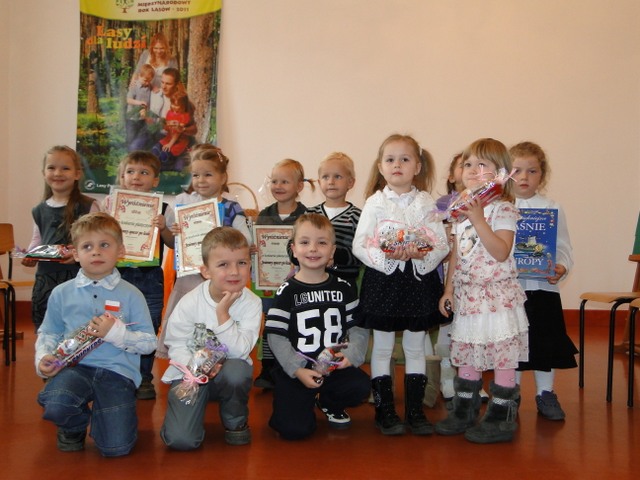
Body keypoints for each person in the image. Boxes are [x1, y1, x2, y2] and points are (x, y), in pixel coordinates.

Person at [35, 212, 156, 456]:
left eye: (104, 245)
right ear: (75, 253)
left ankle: (110, 418)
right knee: (57, 404)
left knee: (116, 448)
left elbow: (149, 342)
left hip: (117, 373)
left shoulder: (132, 294)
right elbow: (49, 331)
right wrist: (43, 358)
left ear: (120, 251)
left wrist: (117, 334)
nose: (96, 252)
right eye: (87, 247)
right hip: (74, 369)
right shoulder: (61, 293)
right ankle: (74, 426)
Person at [352, 134, 449, 436]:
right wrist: (386, 257)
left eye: (405, 159)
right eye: (390, 159)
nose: (397, 165)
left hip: (417, 282)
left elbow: (441, 243)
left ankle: (415, 411)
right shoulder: (374, 202)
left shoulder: (427, 202)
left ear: (417, 166)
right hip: (384, 282)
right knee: (382, 348)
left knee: (415, 346)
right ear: (381, 166)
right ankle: (385, 411)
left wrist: (421, 254)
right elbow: (360, 244)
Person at [434, 138, 529, 444]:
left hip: (497, 297)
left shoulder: (503, 209)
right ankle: (465, 411)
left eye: (482, 164)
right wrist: (448, 289)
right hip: (469, 296)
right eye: (468, 164)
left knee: (502, 357)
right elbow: (457, 255)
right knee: (467, 354)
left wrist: (477, 219)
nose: (473, 170)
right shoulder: (460, 210)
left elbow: (501, 251)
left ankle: (501, 418)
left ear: (500, 172)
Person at [265, 214, 370, 439]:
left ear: (332, 251)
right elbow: (275, 335)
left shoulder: (344, 288)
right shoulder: (287, 291)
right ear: (293, 250)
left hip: (332, 366)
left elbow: (358, 327)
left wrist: (352, 354)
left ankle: (328, 403)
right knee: (294, 431)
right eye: (305, 242)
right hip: (299, 369)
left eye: (322, 242)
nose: (313, 249)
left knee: (360, 385)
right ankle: (299, 403)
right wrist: (296, 369)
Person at [160, 227, 261, 448]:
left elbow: (241, 351)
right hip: (190, 373)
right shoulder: (190, 301)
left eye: (242, 263)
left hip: (227, 373)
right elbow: (176, 342)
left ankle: (235, 422)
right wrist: (196, 369)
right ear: (206, 271)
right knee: (181, 441)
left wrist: (223, 314)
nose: (234, 271)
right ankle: (185, 417)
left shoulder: (252, 303)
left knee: (237, 371)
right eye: (223, 264)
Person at [156, 144, 251, 358]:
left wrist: (223, 232)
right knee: (187, 323)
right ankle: (184, 364)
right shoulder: (183, 204)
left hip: (220, 280)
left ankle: (217, 358)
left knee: (214, 322)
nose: (201, 180)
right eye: (196, 175)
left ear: (223, 177)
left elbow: (246, 240)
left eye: (208, 174)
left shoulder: (232, 208)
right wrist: (171, 231)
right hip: (190, 278)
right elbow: (171, 243)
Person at [510, 141, 577, 421]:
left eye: (532, 171)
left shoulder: (551, 208)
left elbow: (563, 247)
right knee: (512, 342)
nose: (524, 177)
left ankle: (545, 393)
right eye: (516, 170)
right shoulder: (499, 208)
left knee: (544, 340)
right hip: (509, 291)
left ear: (542, 175)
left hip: (543, 289)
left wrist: (562, 267)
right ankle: (509, 393)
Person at [105, 151, 176, 400]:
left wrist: (163, 228)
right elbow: (100, 236)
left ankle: (145, 376)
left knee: (148, 324)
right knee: (116, 322)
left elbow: (172, 243)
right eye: (130, 172)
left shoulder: (164, 209)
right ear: (122, 177)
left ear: (155, 180)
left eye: (144, 172)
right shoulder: (110, 204)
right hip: (117, 275)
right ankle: (118, 372)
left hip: (150, 276)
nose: (136, 177)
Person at [252, 158, 314, 390]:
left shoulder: (307, 216)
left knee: (295, 324)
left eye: (285, 182)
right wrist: (254, 249)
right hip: (269, 283)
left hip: (298, 283)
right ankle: (268, 369)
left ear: (299, 186)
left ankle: (294, 366)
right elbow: (258, 247)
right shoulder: (264, 215)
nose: (278, 186)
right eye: (274, 181)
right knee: (271, 324)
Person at [22, 145, 99, 331]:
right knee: (46, 328)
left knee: (78, 329)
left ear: (77, 174)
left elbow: (99, 241)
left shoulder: (89, 206)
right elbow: (37, 240)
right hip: (46, 279)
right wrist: (30, 255)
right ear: (44, 173)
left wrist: (78, 255)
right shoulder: (39, 209)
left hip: (79, 278)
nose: (58, 173)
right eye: (51, 168)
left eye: (65, 168)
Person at [306, 152, 362, 283]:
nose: (331, 182)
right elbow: (294, 244)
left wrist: (333, 255)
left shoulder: (358, 216)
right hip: (312, 283)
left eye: (337, 176)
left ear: (350, 182)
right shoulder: (309, 214)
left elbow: (362, 253)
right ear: (319, 182)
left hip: (345, 283)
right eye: (325, 177)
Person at [129, 68, 196, 159]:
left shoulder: (181, 102)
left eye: (168, 84)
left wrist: (183, 129)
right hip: (150, 130)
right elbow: (139, 86)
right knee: (134, 148)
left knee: (158, 157)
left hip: (168, 136)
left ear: (176, 84)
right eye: (162, 82)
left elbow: (193, 129)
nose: (163, 87)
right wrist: (134, 83)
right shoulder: (154, 93)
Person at [151, 88, 191, 167]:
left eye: (177, 105)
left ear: (183, 105)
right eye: (173, 104)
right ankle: (156, 159)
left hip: (178, 141)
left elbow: (177, 132)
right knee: (155, 148)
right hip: (168, 138)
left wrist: (170, 144)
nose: (174, 107)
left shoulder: (185, 116)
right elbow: (166, 127)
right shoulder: (170, 113)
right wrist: (166, 124)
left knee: (165, 154)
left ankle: (167, 161)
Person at [125, 64, 155, 149]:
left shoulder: (149, 86)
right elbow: (128, 100)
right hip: (132, 119)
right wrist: (139, 103)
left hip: (142, 119)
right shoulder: (134, 86)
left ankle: (139, 152)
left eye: (149, 81)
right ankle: (130, 154)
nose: (147, 83)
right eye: (145, 80)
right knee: (131, 138)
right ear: (139, 76)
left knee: (140, 139)